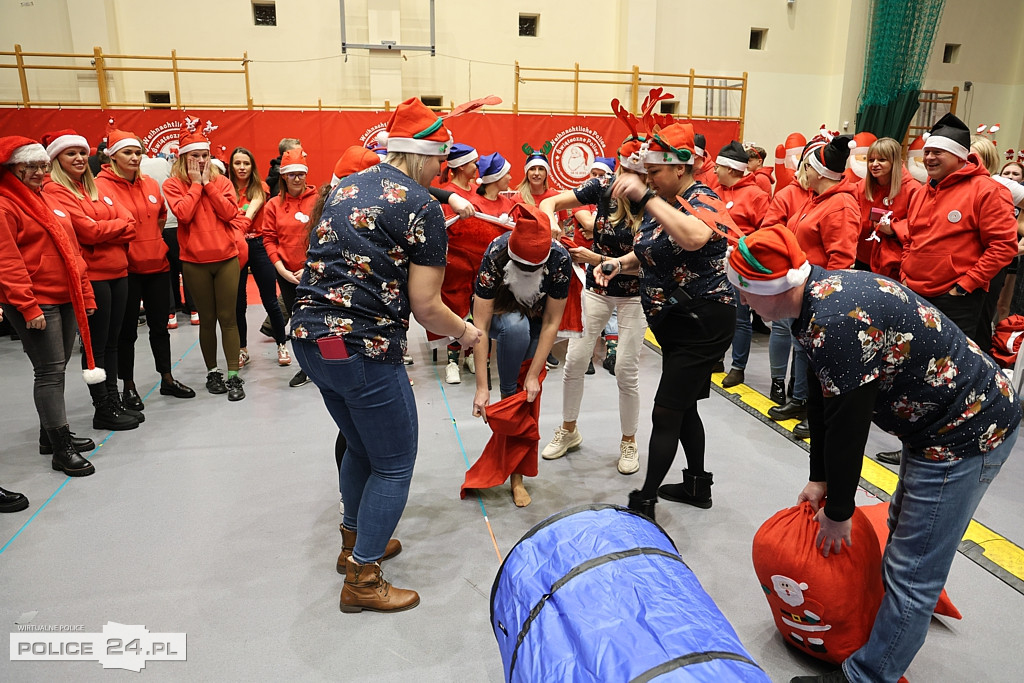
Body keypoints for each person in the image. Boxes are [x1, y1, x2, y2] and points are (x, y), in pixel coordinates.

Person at [726, 225, 1021, 683]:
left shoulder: (836, 323)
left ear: (773, 288)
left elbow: (849, 428)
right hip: (938, 424)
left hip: (967, 431)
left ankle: (867, 677)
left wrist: (840, 510)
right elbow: (825, 402)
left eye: (746, 293)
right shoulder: (817, 298)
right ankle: (881, 635)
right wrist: (819, 478)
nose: (743, 303)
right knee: (903, 530)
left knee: (912, 573)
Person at [290, 98, 482, 613]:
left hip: (315, 343)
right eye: (442, 159)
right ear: (424, 155)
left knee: (359, 447)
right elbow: (427, 307)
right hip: (362, 348)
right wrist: (469, 333)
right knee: (395, 464)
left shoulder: (344, 186)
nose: (444, 170)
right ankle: (363, 577)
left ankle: (353, 542)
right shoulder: (421, 207)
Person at [596, 122, 736, 519]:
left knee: (666, 410)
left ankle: (645, 500)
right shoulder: (667, 201)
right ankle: (696, 485)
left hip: (702, 320)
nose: (649, 179)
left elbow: (693, 237)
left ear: (679, 168)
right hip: (676, 319)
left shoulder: (703, 197)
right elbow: (652, 249)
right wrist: (618, 263)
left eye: (654, 172)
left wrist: (646, 197)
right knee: (685, 405)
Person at [538, 143, 647, 475]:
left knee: (626, 369)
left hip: (634, 295)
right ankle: (569, 430)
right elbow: (551, 200)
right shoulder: (603, 186)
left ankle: (629, 441)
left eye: (636, 175)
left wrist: (597, 259)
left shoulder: (655, 201)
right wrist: (550, 219)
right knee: (574, 360)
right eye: (624, 172)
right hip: (596, 290)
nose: (626, 180)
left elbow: (647, 261)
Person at [0, 135, 103, 477]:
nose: (40, 172)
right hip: (37, 301)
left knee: (56, 370)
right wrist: (28, 307)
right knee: (48, 371)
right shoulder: (5, 205)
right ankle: (61, 448)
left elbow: (73, 252)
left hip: (65, 295)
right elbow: (7, 262)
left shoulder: (44, 199)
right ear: (12, 168)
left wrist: (84, 293)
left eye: (43, 166)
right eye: (31, 167)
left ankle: (51, 435)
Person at [471, 203, 571, 506]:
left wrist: (533, 376)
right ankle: (507, 401)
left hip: (538, 320)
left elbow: (552, 322)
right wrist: (481, 386)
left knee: (528, 393)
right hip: (504, 316)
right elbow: (481, 322)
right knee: (515, 329)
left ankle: (517, 476)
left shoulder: (559, 259)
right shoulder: (496, 252)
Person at [42, 129, 141, 431]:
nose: (79, 158)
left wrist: (103, 229)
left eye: (82, 153)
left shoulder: (92, 189)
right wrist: (110, 227)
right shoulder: (56, 190)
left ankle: (113, 400)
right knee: (96, 346)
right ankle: (102, 407)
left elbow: (131, 222)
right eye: (70, 153)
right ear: (56, 158)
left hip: (118, 272)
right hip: (92, 277)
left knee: (112, 343)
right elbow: (87, 232)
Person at [767, 135, 860, 440]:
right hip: (804, 289)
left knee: (819, 358)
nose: (802, 171)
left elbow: (841, 259)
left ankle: (815, 414)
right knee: (803, 351)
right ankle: (800, 400)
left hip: (821, 293)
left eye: (807, 166)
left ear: (819, 172)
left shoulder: (840, 205)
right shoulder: (816, 199)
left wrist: (828, 301)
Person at [901, 113, 1017, 356]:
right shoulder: (923, 192)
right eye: (927, 151)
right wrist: (904, 272)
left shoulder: (988, 191)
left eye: (937, 152)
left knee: (950, 367)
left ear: (958, 155)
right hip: (914, 292)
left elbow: (1003, 246)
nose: (929, 157)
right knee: (915, 361)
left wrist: (965, 285)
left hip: (956, 299)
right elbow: (911, 239)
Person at [96, 129, 195, 408]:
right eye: (127, 152)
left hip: (157, 265)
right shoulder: (101, 186)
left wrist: (150, 241)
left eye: (137, 152)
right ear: (112, 155)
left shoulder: (151, 184)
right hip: (126, 270)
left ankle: (167, 378)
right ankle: (127, 386)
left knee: (160, 327)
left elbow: (162, 217)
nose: (134, 157)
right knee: (126, 332)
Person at [162, 119, 248, 401]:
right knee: (207, 319)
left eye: (204, 155)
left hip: (226, 259)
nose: (200, 160)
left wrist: (208, 185)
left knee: (229, 318)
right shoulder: (173, 185)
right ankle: (213, 371)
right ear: (183, 158)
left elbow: (229, 213)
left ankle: (234, 376)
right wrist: (196, 186)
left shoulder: (222, 181)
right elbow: (183, 215)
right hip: (194, 262)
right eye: (194, 156)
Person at [228, 146, 290, 370]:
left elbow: (248, 213)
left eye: (246, 163)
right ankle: (242, 349)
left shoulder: (260, 187)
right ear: (231, 166)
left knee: (270, 300)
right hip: (234, 246)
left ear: (252, 166)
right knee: (238, 303)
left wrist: (237, 219)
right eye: (238, 163)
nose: (242, 167)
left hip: (258, 245)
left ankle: (282, 344)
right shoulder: (225, 189)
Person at [715, 140, 770, 391]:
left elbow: (765, 232)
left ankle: (738, 367)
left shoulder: (756, 196)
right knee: (717, 313)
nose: (715, 171)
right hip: (715, 263)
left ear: (732, 169)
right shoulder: (714, 191)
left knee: (740, 317)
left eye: (719, 167)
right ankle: (716, 357)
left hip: (740, 264)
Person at [263, 145, 318, 387]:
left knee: (320, 320)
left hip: (315, 273)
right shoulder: (273, 206)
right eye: (291, 174)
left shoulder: (318, 201)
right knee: (298, 323)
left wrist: (309, 266)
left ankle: (325, 367)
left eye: (301, 174)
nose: (297, 179)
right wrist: (280, 268)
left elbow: (323, 235)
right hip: (287, 275)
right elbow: (269, 238)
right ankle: (306, 367)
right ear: (283, 177)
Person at [856, 137, 920, 281]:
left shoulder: (913, 189)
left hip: (894, 262)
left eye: (882, 160)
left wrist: (892, 228)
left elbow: (917, 225)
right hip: (863, 257)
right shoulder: (862, 186)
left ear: (895, 162)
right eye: (871, 160)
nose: (875, 164)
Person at [469, 152, 516, 218]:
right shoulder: (475, 206)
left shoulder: (506, 202)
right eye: (507, 173)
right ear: (496, 178)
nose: (510, 177)